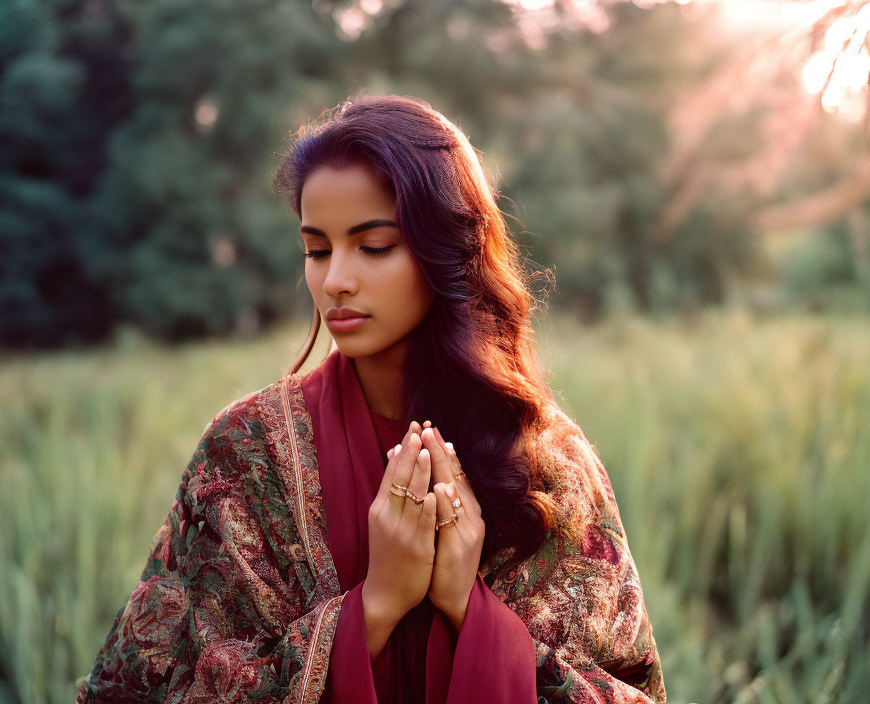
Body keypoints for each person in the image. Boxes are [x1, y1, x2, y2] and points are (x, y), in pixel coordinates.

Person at [75, 94, 666, 704]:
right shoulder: (244, 453)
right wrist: (374, 606)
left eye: (374, 246)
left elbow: (625, 688)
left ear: (448, 250)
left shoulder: (546, 458)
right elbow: (138, 689)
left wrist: (468, 605)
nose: (336, 280)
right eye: (317, 249)